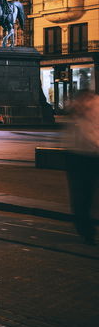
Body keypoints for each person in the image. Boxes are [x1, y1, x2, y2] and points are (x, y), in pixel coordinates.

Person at [65, 92, 99, 244]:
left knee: (82, 195)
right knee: (82, 195)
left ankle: (86, 228)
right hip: (79, 155)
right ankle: (86, 229)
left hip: (82, 155)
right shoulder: (77, 109)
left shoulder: (82, 108)